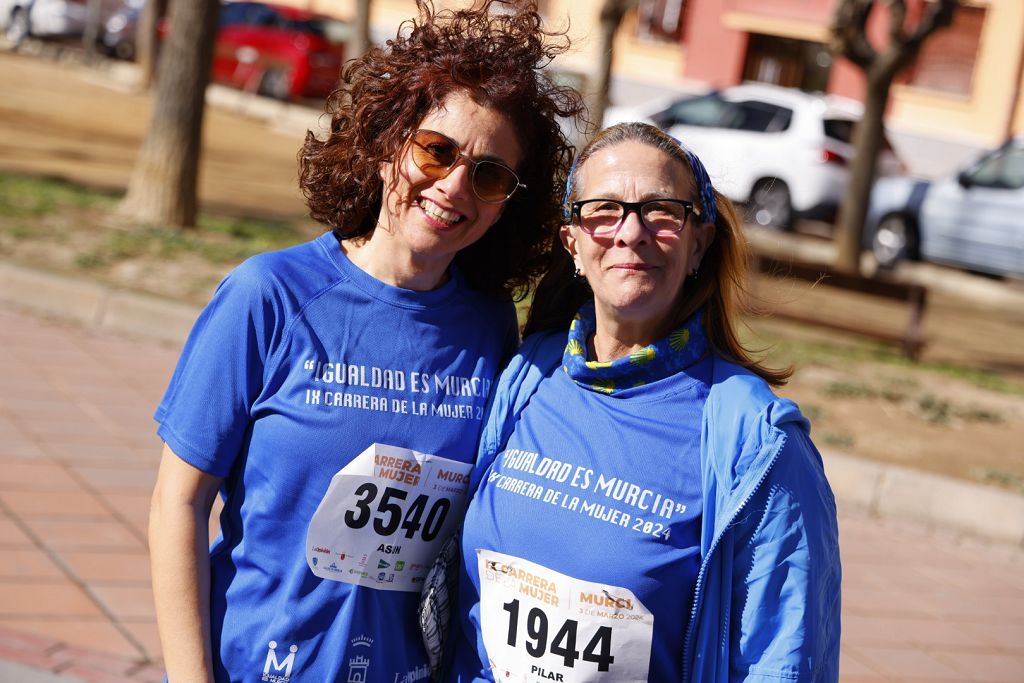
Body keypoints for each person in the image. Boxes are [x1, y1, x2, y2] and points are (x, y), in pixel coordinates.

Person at [147, 1, 585, 680]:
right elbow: (178, 502)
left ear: (507, 203)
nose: (454, 186)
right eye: (437, 151)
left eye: (489, 174)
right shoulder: (269, 296)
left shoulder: (491, 325)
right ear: (388, 145)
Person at [448, 122, 841, 682]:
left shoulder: (757, 441)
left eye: (661, 210)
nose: (630, 232)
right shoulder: (528, 374)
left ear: (699, 242)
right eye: (604, 210)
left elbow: (785, 658)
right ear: (574, 244)